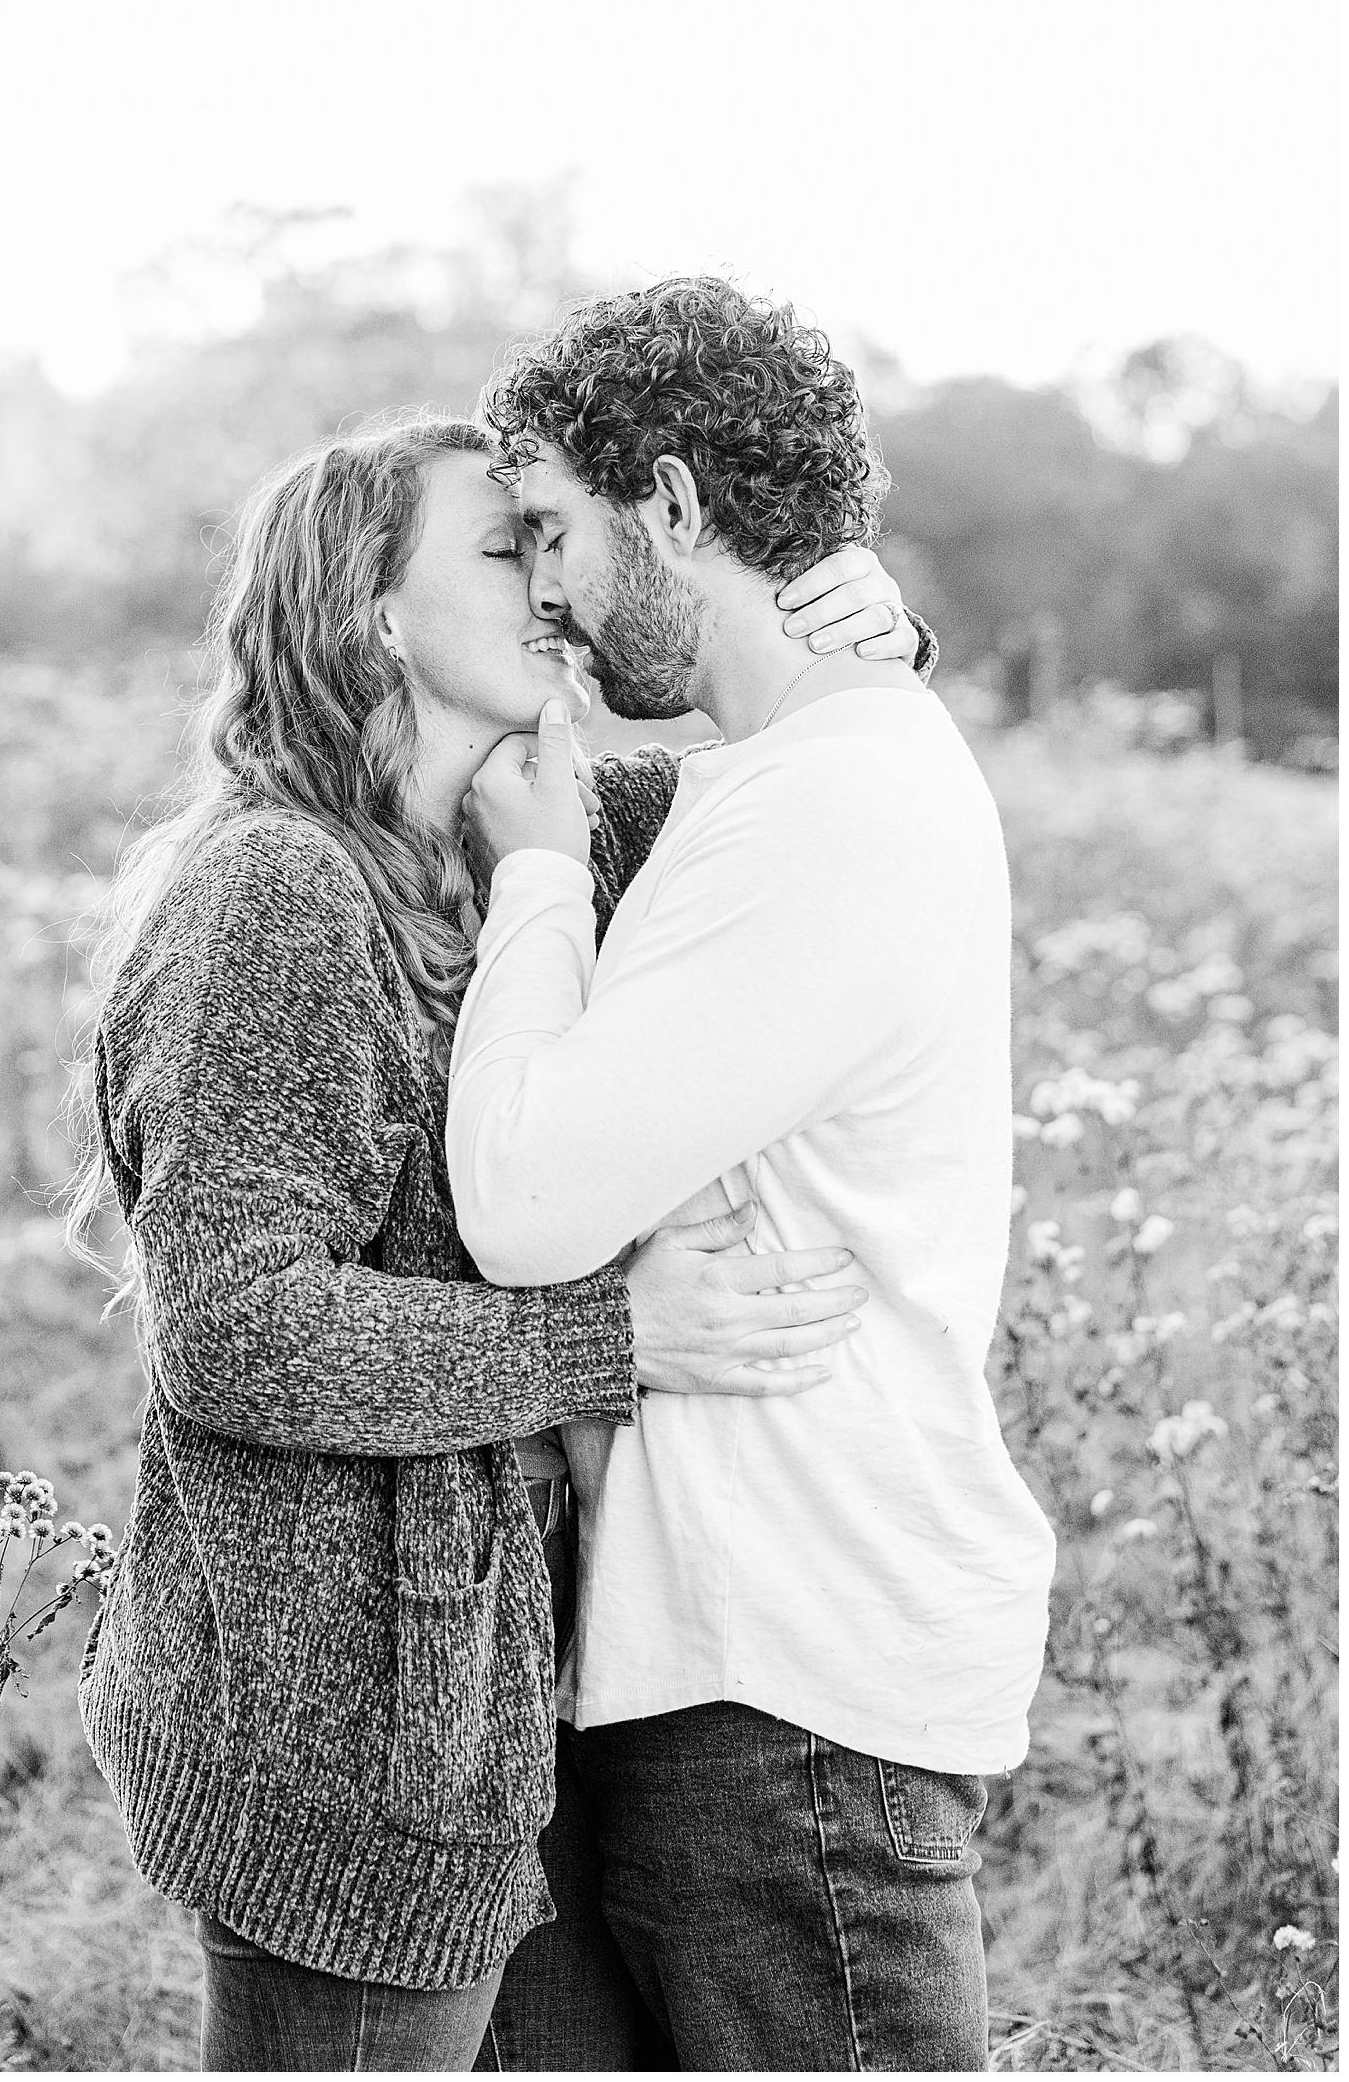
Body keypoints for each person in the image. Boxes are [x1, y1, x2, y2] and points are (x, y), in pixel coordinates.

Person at [65, 411, 929, 2072]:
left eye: (548, 543)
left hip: (506, 1713)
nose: (552, 580)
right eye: (499, 548)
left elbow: (800, 785)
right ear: (369, 612)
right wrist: (617, 1334)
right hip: (340, 1737)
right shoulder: (276, 892)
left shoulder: (547, 828)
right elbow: (241, 1329)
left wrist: (872, 642)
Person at [446, 280, 1058, 2073]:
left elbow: (532, 1201)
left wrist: (538, 878)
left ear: (679, 505)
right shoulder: (784, 774)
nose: (544, 587)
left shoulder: (829, 801)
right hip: (737, 1661)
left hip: (791, 1678)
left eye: (554, 527)